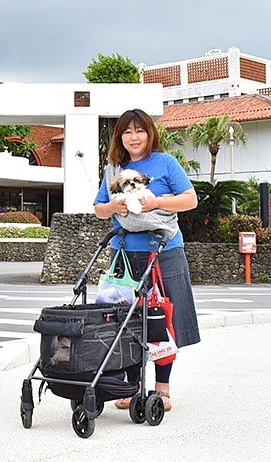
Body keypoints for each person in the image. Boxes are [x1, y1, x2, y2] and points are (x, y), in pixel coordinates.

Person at [93, 108, 200, 412]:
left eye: (139, 130)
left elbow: (190, 199)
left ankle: (162, 387)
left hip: (163, 251)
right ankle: (132, 384)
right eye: (127, 131)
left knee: (159, 319)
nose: (134, 137)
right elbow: (98, 209)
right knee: (123, 319)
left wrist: (155, 202)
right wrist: (114, 207)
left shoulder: (166, 163)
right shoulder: (114, 168)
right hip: (124, 251)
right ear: (120, 137)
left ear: (150, 133)